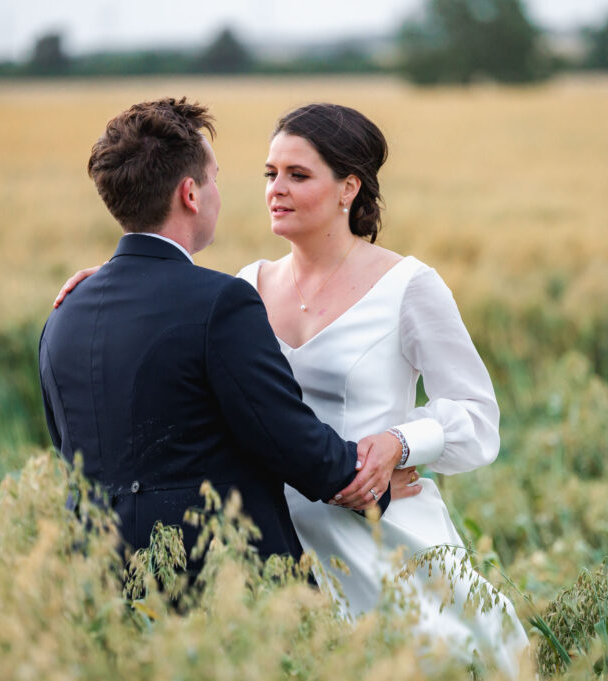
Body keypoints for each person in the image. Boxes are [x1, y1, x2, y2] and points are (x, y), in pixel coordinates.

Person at [57, 102, 529, 675]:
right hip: (272, 542)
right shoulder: (244, 287)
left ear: (347, 188)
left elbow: (477, 415)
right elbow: (181, 337)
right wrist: (109, 284)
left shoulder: (410, 286)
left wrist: (398, 444)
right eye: (268, 174)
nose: (275, 189)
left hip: (378, 527)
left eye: (297, 175)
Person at [38, 97, 402, 577]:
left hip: (96, 572)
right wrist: (373, 480)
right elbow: (284, 435)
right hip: (212, 572)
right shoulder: (221, 303)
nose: (219, 195)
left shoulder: (66, 309)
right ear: (190, 194)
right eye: (214, 180)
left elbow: (68, 442)